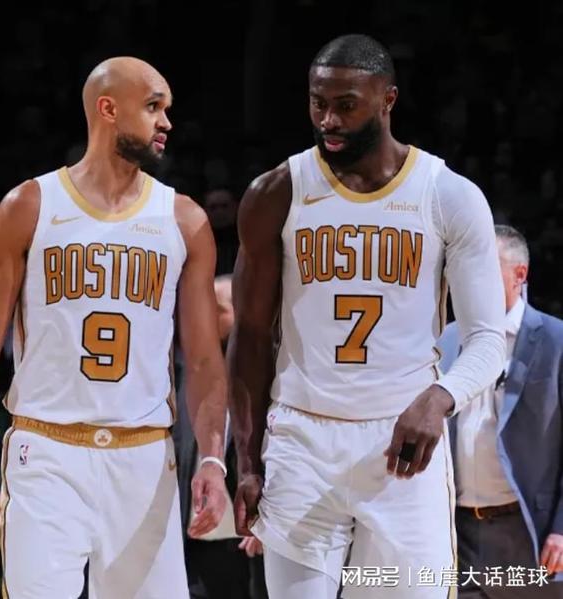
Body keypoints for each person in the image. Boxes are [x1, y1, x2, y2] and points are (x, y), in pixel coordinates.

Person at [228, 33, 506, 599]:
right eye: (318, 103)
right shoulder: (276, 192)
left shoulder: (448, 195)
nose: (328, 120)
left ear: (387, 100)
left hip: (402, 445)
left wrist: (440, 397)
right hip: (302, 439)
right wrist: (247, 461)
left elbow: (487, 339)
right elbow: (251, 336)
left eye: (346, 105)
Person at [0, 56, 229, 599]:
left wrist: (212, 458)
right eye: (153, 107)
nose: (166, 121)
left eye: (167, 109)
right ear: (108, 108)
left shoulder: (184, 219)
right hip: (47, 453)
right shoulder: (29, 206)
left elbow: (205, 359)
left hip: (145, 458)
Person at [438, 225, 563, 597]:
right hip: (457, 532)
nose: (471, 281)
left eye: (484, 268)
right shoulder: (445, 340)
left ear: (519, 275)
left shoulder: (556, 340)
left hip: (529, 531)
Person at [173, 274, 267, 599]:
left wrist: (269, 521)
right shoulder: (184, 376)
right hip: (195, 542)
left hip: (245, 541)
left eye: (218, 309)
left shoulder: (263, 378)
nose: (206, 316)